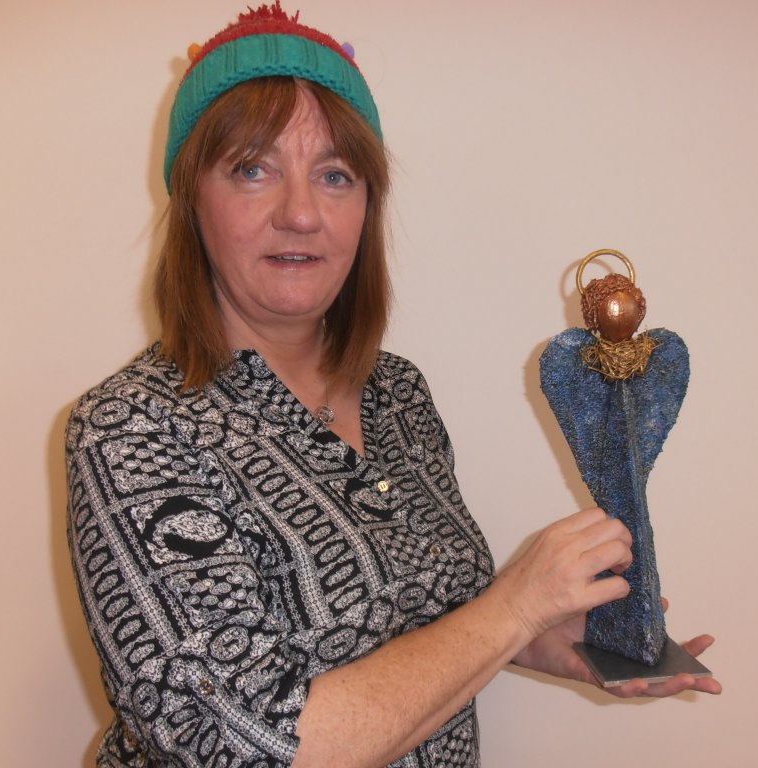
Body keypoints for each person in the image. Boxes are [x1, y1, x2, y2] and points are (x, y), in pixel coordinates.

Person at [65, 4, 721, 766]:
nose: (301, 213)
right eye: (252, 169)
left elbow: (416, 617)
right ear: (191, 201)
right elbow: (243, 748)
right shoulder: (134, 428)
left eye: (335, 176)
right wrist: (513, 608)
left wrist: (544, 637)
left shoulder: (397, 393)